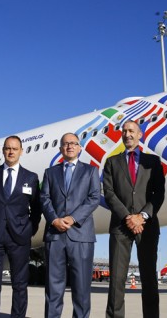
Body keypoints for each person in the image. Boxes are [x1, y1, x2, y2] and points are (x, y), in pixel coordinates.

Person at [103, 120, 164, 318]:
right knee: (117, 281)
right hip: (120, 227)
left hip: (147, 226)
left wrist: (142, 216)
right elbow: (109, 193)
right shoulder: (112, 162)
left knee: (149, 278)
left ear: (139, 135)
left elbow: (159, 193)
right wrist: (128, 217)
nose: (127, 134)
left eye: (131, 131)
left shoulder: (153, 162)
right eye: (124, 131)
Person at [0, 135, 42, 318]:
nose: (11, 151)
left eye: (15, 148)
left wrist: (31, 229)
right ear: (3, 151)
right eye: (8, 148)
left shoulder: (30, 177)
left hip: (19, 236)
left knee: (20, 284)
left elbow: (37, 209)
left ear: (21, 151)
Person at [40, 133, 100, 318]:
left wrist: (73, 218)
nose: (70, 147)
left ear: (80, 148)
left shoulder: (91, 171)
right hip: (55, 235)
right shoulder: (50, 173)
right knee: (53, 288)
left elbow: (94, 198)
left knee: (81, 289)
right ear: (60, 149)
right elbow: (44, 198)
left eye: (73, 143)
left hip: (81, 235)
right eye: (66, 144)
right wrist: (54, 219)